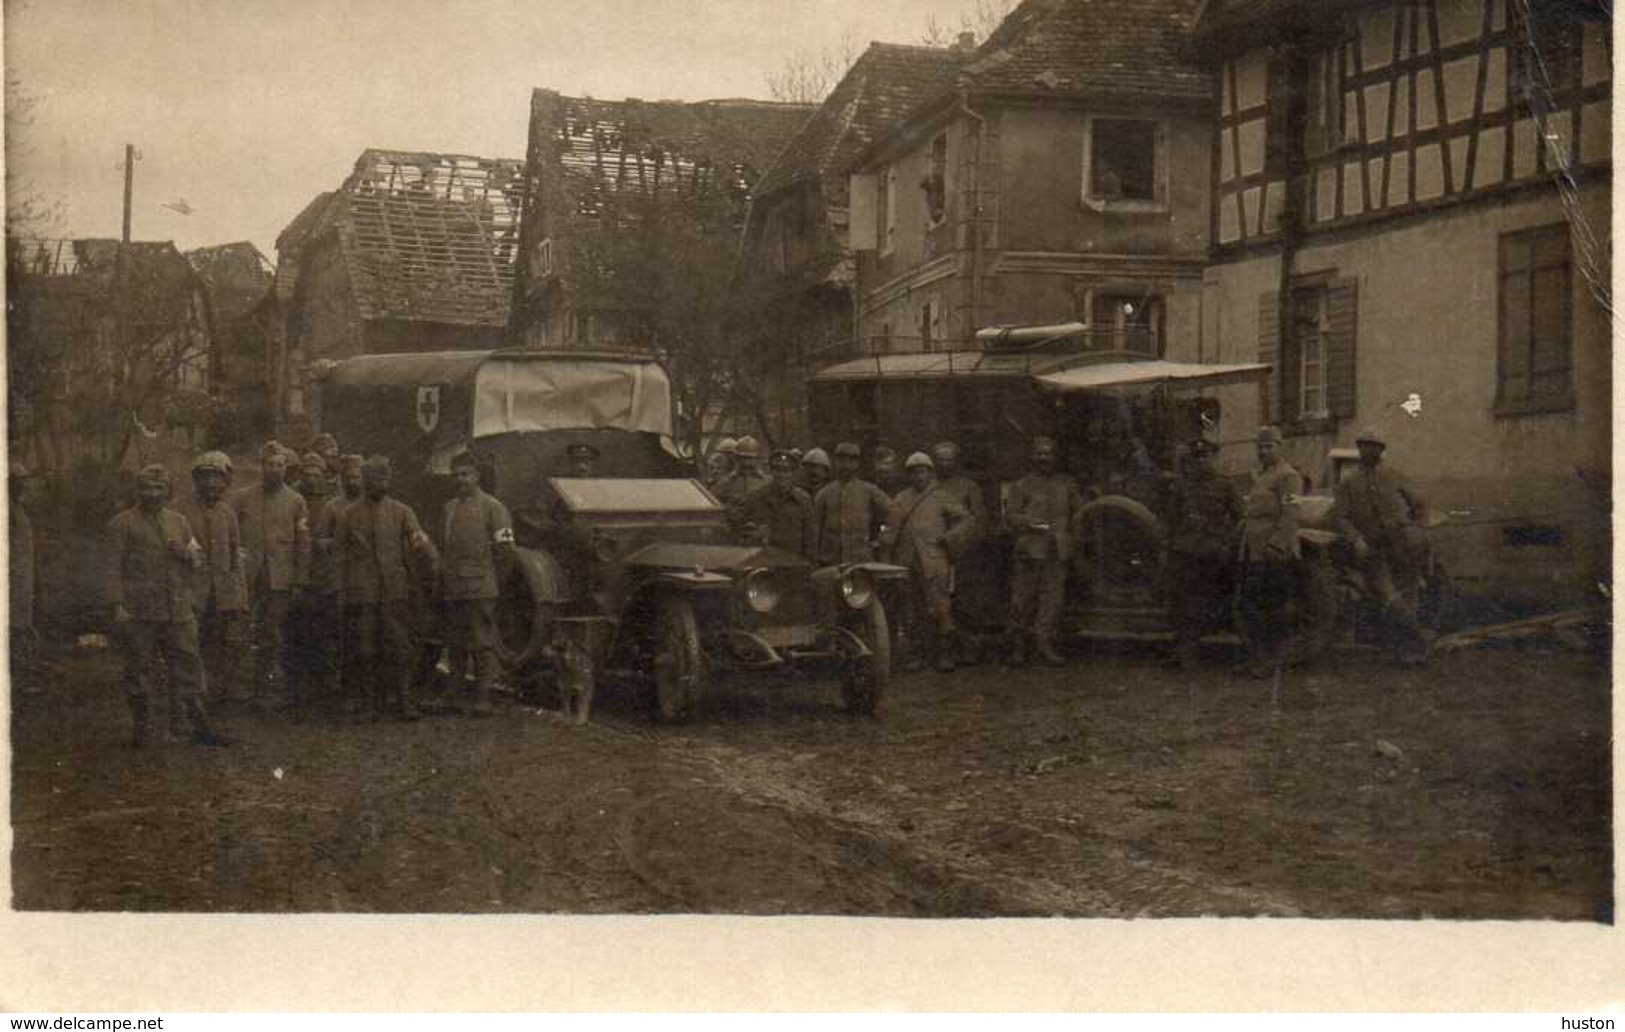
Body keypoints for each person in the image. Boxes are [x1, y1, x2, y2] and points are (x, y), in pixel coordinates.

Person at [106, 464, 230, 748]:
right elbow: (111, 568)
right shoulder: (121, 523)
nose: (152, 494)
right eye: (146, 488)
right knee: (139, 668)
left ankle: (198, 726)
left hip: (177, 608)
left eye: (158, 488)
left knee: (189, 664)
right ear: (137, 491)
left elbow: (198, 560)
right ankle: (142, 729)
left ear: (167, 491)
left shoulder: (179, 521)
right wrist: (117, 605)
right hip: (140, 610)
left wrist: (185, 553)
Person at [335, 456, 438, 721]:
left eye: (385, 479)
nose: (382, 484)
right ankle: (369, 704)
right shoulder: (349, 515)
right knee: (365, 648)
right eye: (376, 479)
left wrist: (434, 566)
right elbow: (339, 555)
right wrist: (342, 591)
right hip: (362, 592)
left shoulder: (402, 512)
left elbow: (420, 542)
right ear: (366, 481)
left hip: (395, 590)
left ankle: (403, 701)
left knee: (399, 647)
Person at [1330, 426, 1432, 666]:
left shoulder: (1394, 476)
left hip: (1404, 544)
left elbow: (1420, 504)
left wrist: (1418, 530)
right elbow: (1340, 517)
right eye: (1365, 446)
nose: (1370, 450)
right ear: (1359, 450)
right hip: (1373, 549)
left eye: (1375, 447)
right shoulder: (1348, 483)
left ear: (1382, 451)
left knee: (1409, 593)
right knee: (1388, 595)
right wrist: (1356, 539)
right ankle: (1419, 639)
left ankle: (1408, 651)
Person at [231, 442, 311, 709]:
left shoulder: (296, 500)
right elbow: (231, 536)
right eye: (269, 465)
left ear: (286, 469)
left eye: (279, 465)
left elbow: (303, 543)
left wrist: (299, 579)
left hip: (281, 578)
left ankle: (265, 687)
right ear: (261, 467)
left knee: (272, 633)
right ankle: (237, 687)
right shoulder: (242, 497)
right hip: (248, 576)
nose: (274, 470)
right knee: (240, 630)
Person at [439, 451, 516, 716]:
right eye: (456, 475)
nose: (460, 480)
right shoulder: (449, 507)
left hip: (481, 587)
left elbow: (506, 551)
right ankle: (453, 698)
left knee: (482, 644)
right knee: (455, 644)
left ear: (477, 476)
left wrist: (493, 581)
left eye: (465, 474)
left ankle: (483, 699)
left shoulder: (494, 507)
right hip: (453, 588)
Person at [882, 452, 972, 673]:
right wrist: (886, 560)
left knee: (940, 608)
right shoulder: (901, 498)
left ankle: (944, 654)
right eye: (913, 472)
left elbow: (967, 519)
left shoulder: (942, 495)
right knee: (910, 610)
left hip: (934, 561)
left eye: (922, 471)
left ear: (930, 473)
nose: (918, 476)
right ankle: (916, 655)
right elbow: (891, 531)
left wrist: (949, 538)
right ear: (908, 475)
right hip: (905, 562)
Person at [1161, 437, 1243, 670]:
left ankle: (1192, 652)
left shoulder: (1225, 485)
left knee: (1204, 604)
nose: (1201, 461)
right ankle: (1182, 650)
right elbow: (1171, 518)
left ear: (1213, 458)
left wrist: (1226, 544)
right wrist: (1168, 547)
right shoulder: (1182, 485)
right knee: (1180, 604)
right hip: (1183, 551)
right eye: (1197, 457)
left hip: (1211, 553)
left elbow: (1240, 517)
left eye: (1205, 456)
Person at [176, 450, 248, 709]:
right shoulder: (180, 510)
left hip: (220, 593)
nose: (211, 484)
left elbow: (234, 554)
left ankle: (215, 693)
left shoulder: (227, 513)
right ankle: (190, 696)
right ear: (197, 480)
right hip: (191, 591)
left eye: (217, 479)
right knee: (189, 645)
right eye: (205, 478)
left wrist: (237, 595)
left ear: (226, 483)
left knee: (218, 642)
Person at [1005, 435, 1083, 667]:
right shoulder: (1021, 485)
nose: (1043, 458)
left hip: (1057, 552)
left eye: (1048, 454)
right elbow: (1010, 517)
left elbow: (1079, 513)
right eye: (1039, 453)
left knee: (1053, 601)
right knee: (1021, 601)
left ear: (1055, 457)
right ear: (1032, 456)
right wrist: (1029, 523)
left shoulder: (1067, 484)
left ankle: (1044, 645)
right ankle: (1018, 648)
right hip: (1029, 551)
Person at [1237, 426, 1304, 678]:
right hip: (1254, 551)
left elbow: (1290, 515)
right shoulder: (1262, 476)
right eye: (1261, 447)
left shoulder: (1288, 476)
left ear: (1280, 447)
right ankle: (1259, 657)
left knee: (1272, 606)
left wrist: (1277, 545)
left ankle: (1273, 661)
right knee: (1252, 605)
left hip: (1274, 552)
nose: (1263, 451)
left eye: (1269, 447)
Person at [285, 451, 340, 720]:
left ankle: (325, 691)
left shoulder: (333, 501)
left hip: (325, 577)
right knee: (296, 634)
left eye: (316, 474)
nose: (311, 479)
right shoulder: (293, 499)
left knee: (326, 634)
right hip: (297, 577)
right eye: (306, 474)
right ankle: (297, 691)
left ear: (323, 476)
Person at [316, 454, 364, 716]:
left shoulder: (373, 505)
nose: (353, 481)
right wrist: (339, 543)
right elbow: (320, 541)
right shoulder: (331, 507)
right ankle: (336, 690)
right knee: (338, 635)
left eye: (357, 477)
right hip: (339, 579)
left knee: (363, 636)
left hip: (366, 581)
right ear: (342, 479)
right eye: (349, 477)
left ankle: (362, 690)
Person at [931, 441, 986, 663]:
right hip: (934, 554)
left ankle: (969, 647)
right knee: (940, 603)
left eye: (949, 459)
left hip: (964, 556)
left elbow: (979, 521)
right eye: (940, 459)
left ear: (957, 461)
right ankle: (944, 650)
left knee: (966, 603)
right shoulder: (929, 487)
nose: (945, 464)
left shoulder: (969, 487)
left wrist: (958, 543)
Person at [812, 442, 893, 565]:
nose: (846, 465)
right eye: (842, 460)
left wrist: (880, 540)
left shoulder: (870, 491)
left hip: (861, 560)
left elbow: (894, 513)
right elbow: (815, 530)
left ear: (857, 464)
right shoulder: (824, 494)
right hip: (830, 561)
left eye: (851, 461)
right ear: (835, 462)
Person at [739, 449, 814, 557]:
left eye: (786, 471)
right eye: (777, 470)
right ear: (771, 471)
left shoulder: (803, 500)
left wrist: (809, 564)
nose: (782, 475)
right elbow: (744, 534)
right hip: (763, 563)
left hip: (793, 564)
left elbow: (810, 540)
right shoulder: (756, 497)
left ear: (793, 473)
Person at [10, 462, 42, 696]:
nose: (23, 484)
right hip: (11, 581)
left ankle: (19, 680)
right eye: (17, 480)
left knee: (20, 629)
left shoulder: (18, 509)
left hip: (22, 580)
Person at [719, 435, 771, 507]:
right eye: (743, 458)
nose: (746, 463)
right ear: (737, 459)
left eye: (750, 458)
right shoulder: (727, 481)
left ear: (756, 459)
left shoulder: (766, 482)